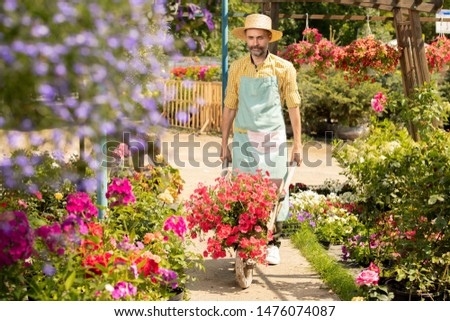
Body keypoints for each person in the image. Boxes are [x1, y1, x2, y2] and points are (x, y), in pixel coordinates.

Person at [221, 13, 302, 265]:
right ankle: (245, 242)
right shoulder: (236, 67)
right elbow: (230, 107)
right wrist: (224, 143)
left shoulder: (283, 68)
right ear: (245, 38)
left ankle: (273, 242)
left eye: (259, 38)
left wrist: (297, 143)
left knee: (275, 191)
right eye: (251, 37)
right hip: (244, 138)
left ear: (269, 39)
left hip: (273, 138)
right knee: (242, 191)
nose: (255, 42)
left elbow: (293, 106)